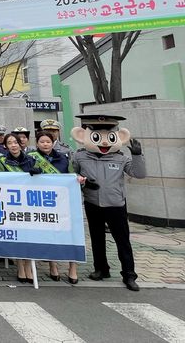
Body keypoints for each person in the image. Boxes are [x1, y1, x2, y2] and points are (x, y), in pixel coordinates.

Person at [71, 114, 146, 292]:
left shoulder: (121, 158)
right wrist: (82, 181)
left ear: (119, 137)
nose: (104, 143)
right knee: (97, 238)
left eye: (109, 138)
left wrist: (137, 155)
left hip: (116, 204)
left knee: (122, 241)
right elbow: (71, 175)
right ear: (83, 136)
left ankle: (129, 274)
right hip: (92, 202)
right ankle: (101, 269)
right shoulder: (80, 157)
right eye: (97, 138)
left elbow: (139, 173)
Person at [31, 130, 78, 283]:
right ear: (37, 143)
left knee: (71, 233)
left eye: (48, 141)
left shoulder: (64, 158)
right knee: (50, 234)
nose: (45, 144)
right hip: (43, 203)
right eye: (42, 141)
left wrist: (79, 180)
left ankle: (73, 267)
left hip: (64, 201)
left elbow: (73, 176)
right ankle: (53, 266)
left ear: (53, 143)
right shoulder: (32, 159)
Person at [0, 133, 37, 284]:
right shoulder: (2, 161)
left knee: (29, 235)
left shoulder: (32, 159)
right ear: (5, 145)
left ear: (21, 144)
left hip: (29, 203)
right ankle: (20, 266)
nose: (13, 145)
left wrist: (38, 174)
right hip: (10, 202)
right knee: (16, 235)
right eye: (10, 143)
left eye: (16, 142)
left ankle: (29, 266)